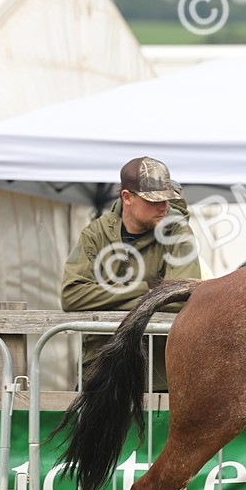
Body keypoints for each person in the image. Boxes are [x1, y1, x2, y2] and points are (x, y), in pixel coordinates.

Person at [61, 156, 201, 389]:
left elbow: (181, 297)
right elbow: (72, 295)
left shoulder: (178, 233)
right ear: (127, 197)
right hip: (99, 371)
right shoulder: (96, 233)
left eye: (167, 199)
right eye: (153, 200)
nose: (164, 206)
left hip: (157, 378)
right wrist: (149, 290)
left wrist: (104, 300)